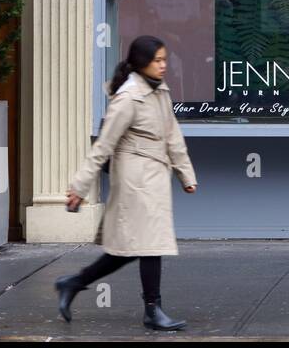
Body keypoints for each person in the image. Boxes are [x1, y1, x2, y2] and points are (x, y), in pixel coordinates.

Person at [54, 35, 198, 328]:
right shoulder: (129, 97)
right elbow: (103, 146)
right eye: (158, 60)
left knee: (130, 248)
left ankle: (74, 282)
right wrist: (79, 187)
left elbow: (172, 136)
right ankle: (153, 310)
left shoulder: (159, 91)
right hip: (136, 182)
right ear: (142, 62)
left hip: (153, 177)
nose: (163, 66)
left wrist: (186, 174)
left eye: (164, 59)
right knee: (149, 245)